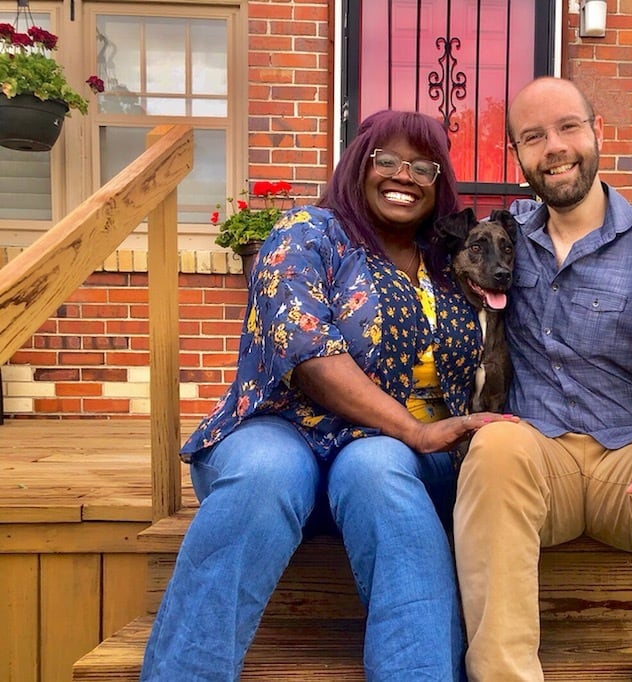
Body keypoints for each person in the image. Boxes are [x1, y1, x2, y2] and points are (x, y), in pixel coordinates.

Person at [141, 110, 514, 681]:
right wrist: (415, 430)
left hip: (389, 460)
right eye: (387, 160)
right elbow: (308, 352)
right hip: (286, 428)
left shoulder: (450, 260)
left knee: (376, 470)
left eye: (422, 167)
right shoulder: (308, 233)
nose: (404, 175)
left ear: (438, 183)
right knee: (266, 472)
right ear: (358, 164)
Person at [452, 77, 632, 681]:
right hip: (540, 457)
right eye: (534, 137)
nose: (554, 147)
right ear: (518, 155)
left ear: (596, 132)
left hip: (630, 464)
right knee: (494, 447)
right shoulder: (510, 239)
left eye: (567, 127)